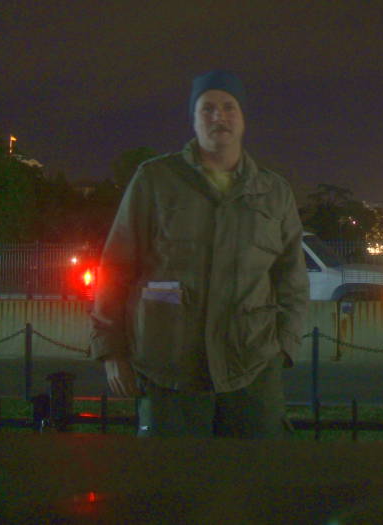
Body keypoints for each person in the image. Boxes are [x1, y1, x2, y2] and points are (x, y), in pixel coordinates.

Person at [90, 70, 309, 438]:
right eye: (207, 108)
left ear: (243, 117)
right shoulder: (155, 181)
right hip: (169, 371)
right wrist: (112, 351)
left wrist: (284, 346)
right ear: (192, 119)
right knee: (170, 486)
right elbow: (116, 267)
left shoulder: (274, 192)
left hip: (251, 369)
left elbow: (292, 278)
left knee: (254, 486)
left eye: (228, 107)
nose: (218, 117)